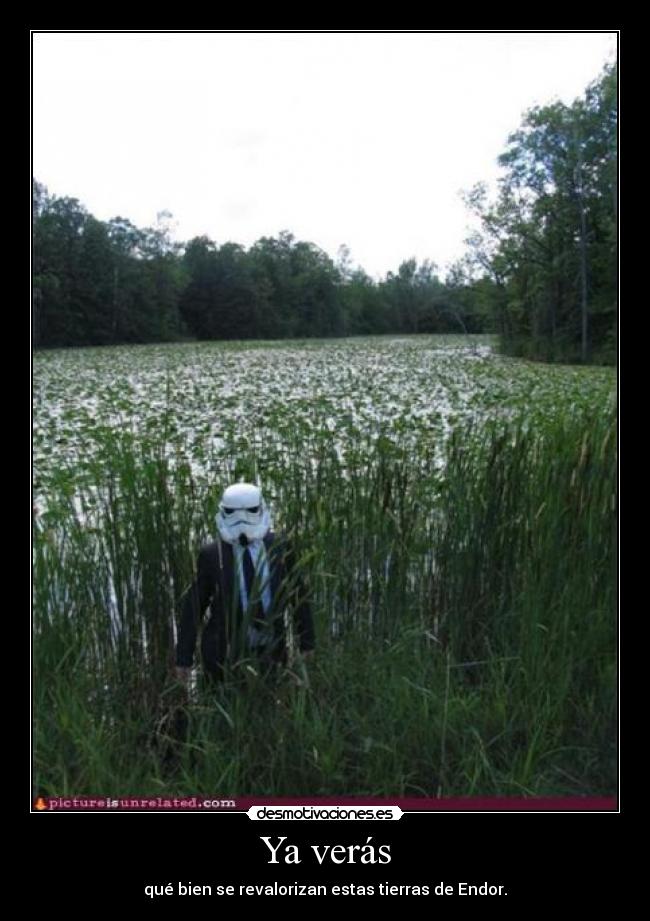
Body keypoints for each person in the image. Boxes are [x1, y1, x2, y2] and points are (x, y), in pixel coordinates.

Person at [175, 482, 315, 687]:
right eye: (233, 512)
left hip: (271, 650)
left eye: (249, 511)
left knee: (269, 704)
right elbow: (194, 606)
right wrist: (183, 658)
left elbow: (297, 594)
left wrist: (307, 643)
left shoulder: (280, 547)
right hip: (223, 655)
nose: (242, 520)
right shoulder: (213, 555)